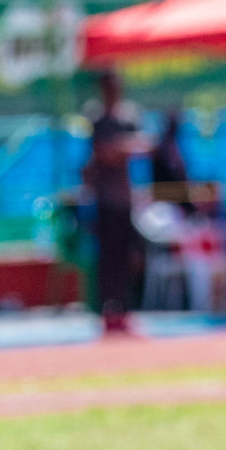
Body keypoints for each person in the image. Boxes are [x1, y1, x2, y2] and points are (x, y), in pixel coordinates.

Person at [83, 70, 146, 332]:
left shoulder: (127, 118)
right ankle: (107, 309)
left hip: (124, 199)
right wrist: (122, 149)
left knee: (127, 255)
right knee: (107, 257)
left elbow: (142, 146)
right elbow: (103, 154)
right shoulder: (98, 120)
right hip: (105, 200)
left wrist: (119, 149)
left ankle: (125, 308)